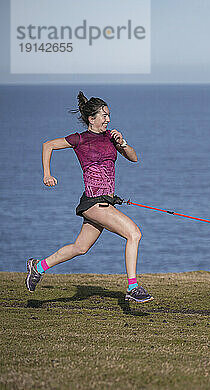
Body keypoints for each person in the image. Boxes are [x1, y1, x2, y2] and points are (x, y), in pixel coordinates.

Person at [26, 91, 153, 303]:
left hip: (103, 202)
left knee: (80, 248)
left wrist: (121, 142)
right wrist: (47, 174)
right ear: (91, 119)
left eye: (109, 115)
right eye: (104, 116)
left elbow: (133, 157)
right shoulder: (80, 139)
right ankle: (133, 287)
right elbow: (47, 145)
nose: (108, 119)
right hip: (95, 202)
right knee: (134, 233)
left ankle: (37, 267)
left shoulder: (111, 137)